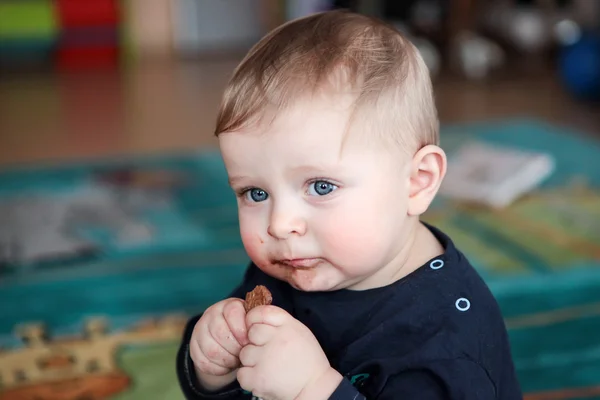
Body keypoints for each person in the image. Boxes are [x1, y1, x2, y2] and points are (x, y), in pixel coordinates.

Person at [176, 10, 522, 400]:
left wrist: (314, 390)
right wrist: (212, 366)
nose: (280, 224)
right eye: (256, 193)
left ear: (416, 182)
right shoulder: (294, 264)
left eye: (321, 186)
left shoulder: (447, 346)